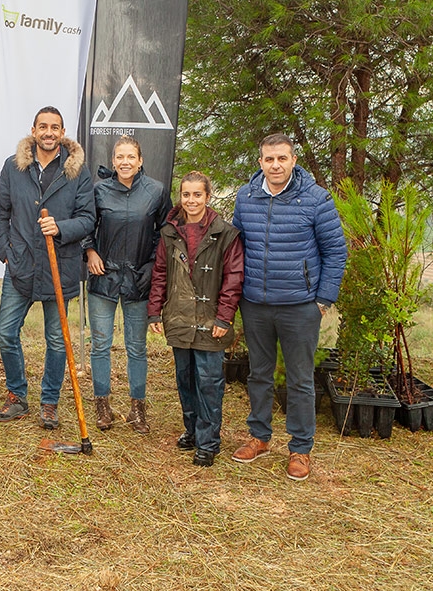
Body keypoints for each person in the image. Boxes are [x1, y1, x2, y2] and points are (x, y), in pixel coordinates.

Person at [230, 133, 346, 481]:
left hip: (300, 306)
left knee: (299, 379)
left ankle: (300, 448)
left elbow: (335, 252)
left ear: (293, 160)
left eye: (282, 158)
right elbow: (237, 249)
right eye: (269, 159)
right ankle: (259, 437)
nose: (275, 165)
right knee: (258, 374)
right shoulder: (246, 197)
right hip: (255, 303)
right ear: (260, 162)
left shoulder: (315, 199)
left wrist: (323, 299)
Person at [0, 107, 95, 429]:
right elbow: (1, 209)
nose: (49, 133)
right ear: (33, 130)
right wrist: (4, 249)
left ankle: (49, 403)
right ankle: (17, 396)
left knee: (57, 339)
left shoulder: (77, 172)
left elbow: (88, 218)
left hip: (58, 267)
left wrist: (60, 228)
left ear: (62, 133)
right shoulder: (13, 167)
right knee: (6, 332)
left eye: (55, 128)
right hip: (20, 264)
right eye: (43, 127)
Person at [148, 171, 244, 466]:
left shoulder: (225, 233)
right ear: (181, 196)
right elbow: (161, 272)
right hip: (179, 316)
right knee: (185, 378)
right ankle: (191, 431)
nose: (191, 200)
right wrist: (155, 310)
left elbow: (233, 278)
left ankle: (208, 442)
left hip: (210, 319)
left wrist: (224, 318)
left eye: (197, 195)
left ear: (207, 197)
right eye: (186, 194)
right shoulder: (169, 232)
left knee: (209, 381)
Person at [83, 135, 169, 433]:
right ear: (113, 160)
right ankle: (102, 406)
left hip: (138, 280)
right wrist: (89, 251)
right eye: (120, 156)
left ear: (140, 160)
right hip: (103, 277)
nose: (125, 162)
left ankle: (137, 409)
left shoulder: (156, 191)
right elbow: (86, 225)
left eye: (131, 156)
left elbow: (166, 233)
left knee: (137, 347)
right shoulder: (99, 191)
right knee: (100, 345)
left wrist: (152, 266)